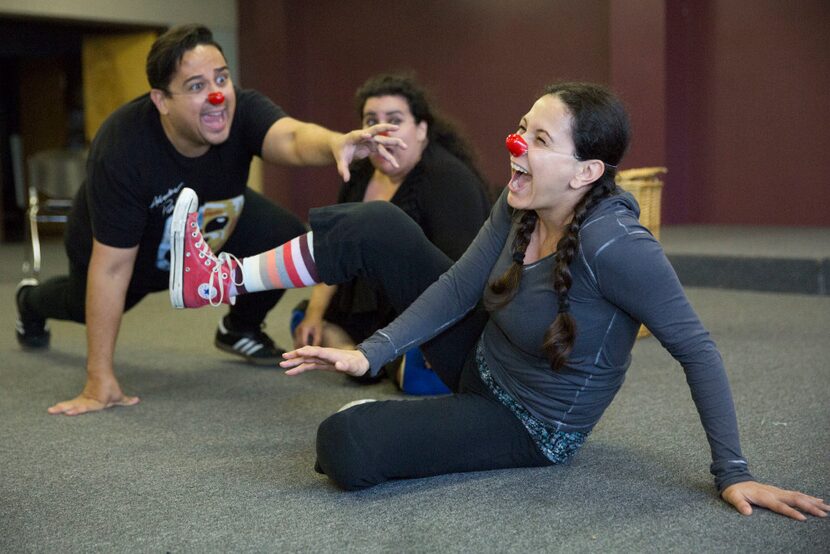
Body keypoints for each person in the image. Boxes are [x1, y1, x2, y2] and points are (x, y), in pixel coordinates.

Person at [169, 82, 828, 520]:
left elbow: (697, 349)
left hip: (528, 424)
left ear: (585, 172)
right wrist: (371, 353)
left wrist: (732, 473)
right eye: (521, 129)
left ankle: (411, 409)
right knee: (377, 226)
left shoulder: (619, 246)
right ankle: (217, 282)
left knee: (345, 443)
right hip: (480, 355)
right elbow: (458, 287)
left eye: (539, 141)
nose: (517, 146)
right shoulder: (520, 197)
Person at [14, 24, 404, 416]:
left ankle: (239, 328)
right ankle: (29, 302)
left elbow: (292, 138)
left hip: (209, 222)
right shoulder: (122, 147)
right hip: (121, 247)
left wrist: (335, 142)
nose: (218, 96)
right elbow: (112, 269)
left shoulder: (243, 111)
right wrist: (99, 380)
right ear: (161, 100)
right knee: (85, 306)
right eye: (197, 86)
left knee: (281, 233)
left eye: (222, 78)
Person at [291, 73, 490, 370]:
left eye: (394, 120)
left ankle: (367, 356)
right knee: (302, 319)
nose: (381, 131)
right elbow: (332, 248)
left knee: (423, 368)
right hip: (363, 298)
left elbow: (460, 276)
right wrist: (315, 313)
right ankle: (360, 354)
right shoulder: (359, 172)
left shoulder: (448, 180)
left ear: (422, 129)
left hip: (421, 304)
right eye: (371, 121)